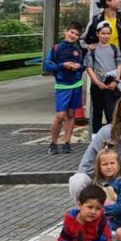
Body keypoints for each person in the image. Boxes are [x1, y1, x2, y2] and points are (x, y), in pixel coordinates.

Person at [45, 22, 86, 155]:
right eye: (72, 32)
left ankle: (67, 143)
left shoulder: (78, 50)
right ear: (66, 31)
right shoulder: (56, 48)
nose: (73, 35)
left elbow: (82, 64)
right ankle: (53, 143)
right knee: (60, 116)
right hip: (62, 86)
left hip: (76, 85)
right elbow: (48, 66)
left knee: (71, 115)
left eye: (76, 34)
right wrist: (63, 65)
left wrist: (78, 66)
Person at [86, 21, 121, 135]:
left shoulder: (114, 48)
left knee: (111, 112)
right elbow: (89, 68)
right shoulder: (92, 50)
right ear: (98, 34)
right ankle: (95, 137)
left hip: (111, 85)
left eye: (108, 33)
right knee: (97, 112)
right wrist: (97, 83)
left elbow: (119, 65)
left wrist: (116, 80)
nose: (105, 36)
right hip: (97, 86)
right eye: (103, 33)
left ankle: (113, 135)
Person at [91, 148, 121, 231]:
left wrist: (102, 211)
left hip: (118, 221)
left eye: (112, 163)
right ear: (99, 167)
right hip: (100, 217)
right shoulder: (97, 183)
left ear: (119, 165)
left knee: (98, 228)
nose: (109, 167)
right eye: (105, 164)